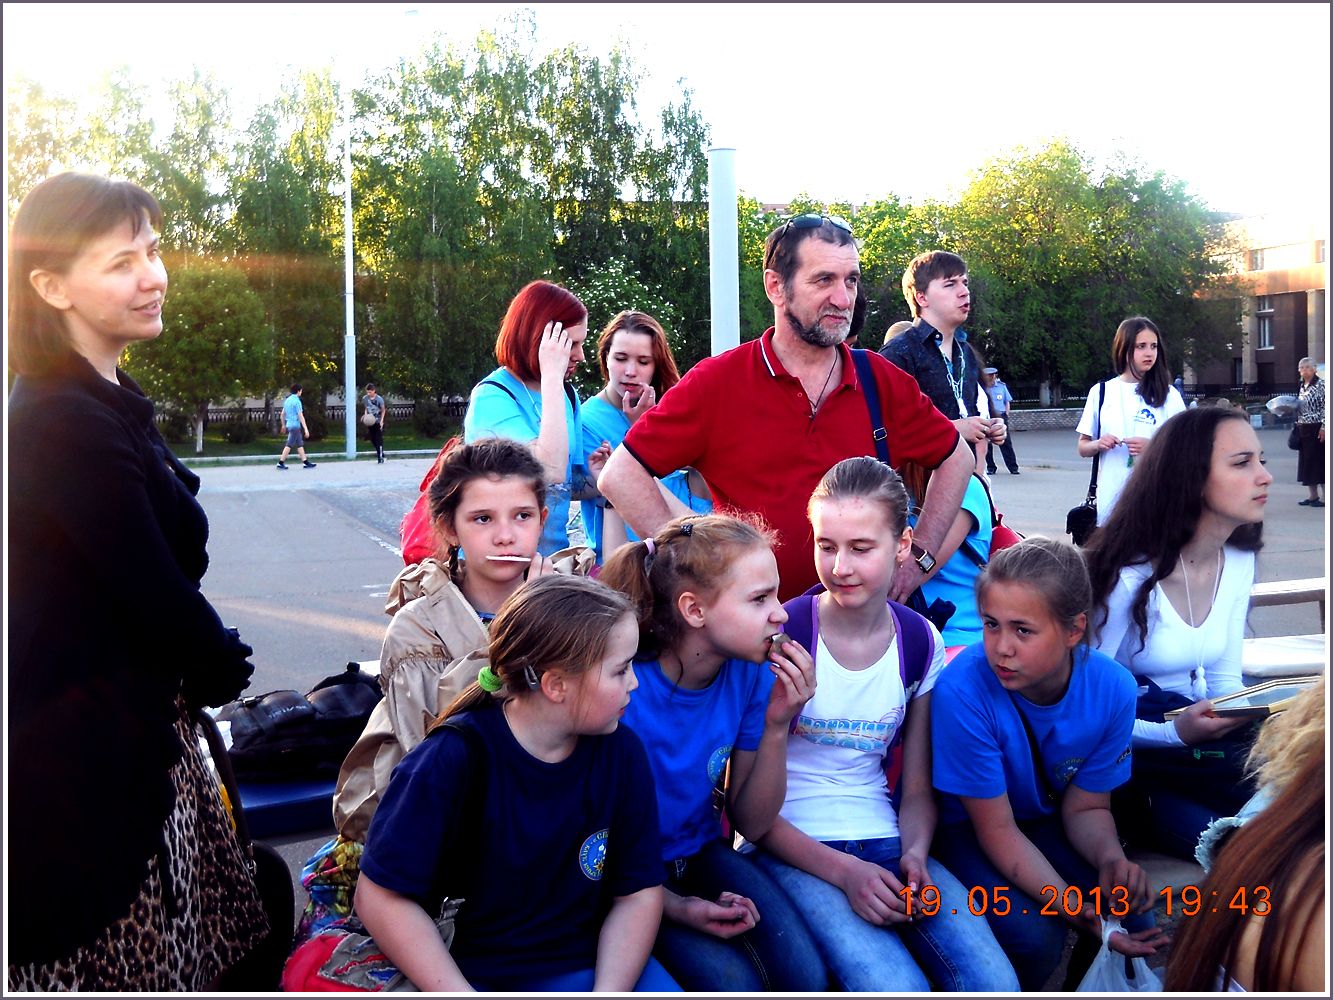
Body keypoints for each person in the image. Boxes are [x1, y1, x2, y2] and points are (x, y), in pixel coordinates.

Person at [7, 172, 265, 989]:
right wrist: (217, 657)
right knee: (130, 962)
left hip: (136, 727)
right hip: (82, 764)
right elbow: (150, 586)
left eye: (152, 252)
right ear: (51, 286)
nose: (153, 277)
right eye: (121, 263)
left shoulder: (103, 395)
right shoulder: (59, 417)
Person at [301, 439, 593, 939]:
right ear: (449, 528)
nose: (506, 535)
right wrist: (526, 628)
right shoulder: (418, 628)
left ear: (543, 519)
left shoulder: (575, 599)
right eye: (482, 519)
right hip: (449, 838)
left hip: (552, 818)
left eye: (522, 516)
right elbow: (433, 742)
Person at [599, 214, 973, 602]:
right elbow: (620, 476)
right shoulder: (718, 382)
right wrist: (698, 570)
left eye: (851, 280)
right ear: (776, 286)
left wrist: (919, 560)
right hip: (755, 633)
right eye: (824, 280)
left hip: (862, 626)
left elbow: (957, 457)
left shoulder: (881, 379)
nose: (844, 299)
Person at [751, 458, 1019, 991]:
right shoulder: (783, 634)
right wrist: (845, 872)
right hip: (797, 848)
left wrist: (915, 854)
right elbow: (749, 813)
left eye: (861, 548)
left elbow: (916, 788)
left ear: (902, 545)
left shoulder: (920, 641)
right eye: (826, 545)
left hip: (886, 840)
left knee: (993, 982)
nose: (840, 567)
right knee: (895, 986)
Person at [354, 575, 679, 992]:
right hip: (467, 976)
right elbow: (378, 897)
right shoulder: (450, 760)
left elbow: (638, 893)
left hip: (592, 965)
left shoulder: (622, 752)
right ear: (556, 685)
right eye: (620, 670)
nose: (634, 682)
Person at [599, 514, 827, 991]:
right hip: (620, 877)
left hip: (698, 853)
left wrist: (777, 725)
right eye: (759, 599)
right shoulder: (623, 690)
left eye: (776, 596)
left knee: (805, 975)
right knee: (733, 984)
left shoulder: (751, 672)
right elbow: (593, 844)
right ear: (694, 610)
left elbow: (752, 823)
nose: (781, 614)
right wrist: (677, 907)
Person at [930, 538, 1167, 991]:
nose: (1002, 647)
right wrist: (1078, 910)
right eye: (991, 625)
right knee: (1035, 936)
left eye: (1023, 630)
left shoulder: (1113, 689)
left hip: (1043, 821)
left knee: (1133, 913)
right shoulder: (963, 690)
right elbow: (996, 830)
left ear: (1074, 630)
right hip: (966, 830)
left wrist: (1111, 859)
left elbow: (1087, 807)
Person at [1083, 406, 1273, 860]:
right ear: (1191, 477)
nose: (1265, 476)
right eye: (1242, 463)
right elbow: (1084, 711)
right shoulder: (1127, 573)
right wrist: (1175, 735)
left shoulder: (1238, 559)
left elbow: (1224, 681)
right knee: (1241, 850)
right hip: (1137, 762)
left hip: (1206, 753)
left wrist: (1260, 713)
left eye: (1261, 460)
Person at [1163, 680, 1324, 992]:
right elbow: (1118, 721)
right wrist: (1173, 733)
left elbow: (1227, 687)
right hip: (1166, 755)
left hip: (1215, 749)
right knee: (1224, 835)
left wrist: (1239, 713)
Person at [464, 280, 607, 555]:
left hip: (551, 558)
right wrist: (552, 374)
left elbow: (564, 487)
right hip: (500, 562)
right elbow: (549, 473)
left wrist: (599, 479)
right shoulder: (492, 398)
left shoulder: (566, 395)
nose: (580, 356)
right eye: (571, 344)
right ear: (539, 341)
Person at [580, 310, 711, 562]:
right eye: (620, 358)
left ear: (656, 365)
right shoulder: (587, 421)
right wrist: (641, 434)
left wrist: (648, 424)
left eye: (643, 362)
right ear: (605, 358)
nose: (630, 371)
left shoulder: (672, 406)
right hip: (626, 556)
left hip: (688, 541)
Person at [881, 251, 1008, 473]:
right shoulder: (898, 353)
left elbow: (967, 414)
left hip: (964, 480)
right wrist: (952, 429)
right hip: (915, 488)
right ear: (922, 298)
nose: (964, 291)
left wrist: (990, 426)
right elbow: (884, 432)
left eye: (965, 282)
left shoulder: (966, 353)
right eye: (950, 284)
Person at [1075, 316, 1185, 524]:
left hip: (1157, 500)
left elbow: (1186, 449)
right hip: (1112, 502)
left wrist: (1153, 447)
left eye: (1154, 346)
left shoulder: (1170, 395)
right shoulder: (1101, 392)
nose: (1149, 353)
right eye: (1141, 346)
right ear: (1124, 349)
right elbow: (1083, 447)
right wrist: (1099, 444)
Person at [899, 460, 993, 647]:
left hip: (955, 637)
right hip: (903, 631)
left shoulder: (965, 488)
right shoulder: (891, 487)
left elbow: (912, 574)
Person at [1294, 356, 1324, 507]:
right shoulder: (1301, 386)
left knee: (1320, 462)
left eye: (1307, 367)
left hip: (1317, 428)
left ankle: (1325, 497)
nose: (1304, 370)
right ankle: (1313, 496)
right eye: (1302, 367)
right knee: (1307, 462)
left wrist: (1324, 427)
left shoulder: (1321, 385)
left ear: (1314, 369)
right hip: (1303, 428)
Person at [981, 366, 1021, 474]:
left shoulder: (1001, 387)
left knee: (1006, 442)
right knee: (987, 443)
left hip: (1000, 416)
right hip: (987, 417)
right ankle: (991, 467)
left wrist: (1006, 414)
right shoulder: (982, 387)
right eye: (988, 376)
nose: (990, 378)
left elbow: (1007, 401)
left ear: (995, 376)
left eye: (992, 375)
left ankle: (1013, 467)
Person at [278, 382, 316, 469]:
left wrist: (283, 425)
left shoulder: (287, 400)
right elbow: (300, 416)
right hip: (295, 425)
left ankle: (305, 462)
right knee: (289, 444)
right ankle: (280, 462)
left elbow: (282, 414)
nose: (301, 392)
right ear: (298, 391)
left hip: (289, 424)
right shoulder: (297, 402)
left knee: (299, 443)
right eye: (301, 391)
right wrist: (306, 429)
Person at [362, 381, 386, 463]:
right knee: (372, 439)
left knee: (379, 439)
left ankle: (380, 457)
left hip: (378, 421)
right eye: (367, 392)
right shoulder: (365, 398)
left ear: (374, 390)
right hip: (370, 421)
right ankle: (381, 453)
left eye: (370, 392)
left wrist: (382, 421)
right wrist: (365, 416)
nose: (369, 394)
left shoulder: (379, 399)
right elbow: (366, 408)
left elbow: (383, 410)